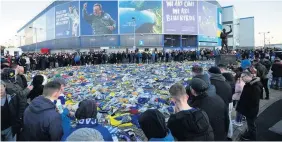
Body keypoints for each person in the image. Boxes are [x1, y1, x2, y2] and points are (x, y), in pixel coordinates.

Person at [236, 71, 263, 141]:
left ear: (247, 76)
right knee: (250, 124)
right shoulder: (251, 84)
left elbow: (254, 102)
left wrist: (246, 108)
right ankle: (249, 134)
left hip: (251, 111)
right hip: (249, 109)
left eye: (242, 77)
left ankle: (253, 138)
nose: (241, 79)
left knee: (251, 125)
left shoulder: (254, 87)